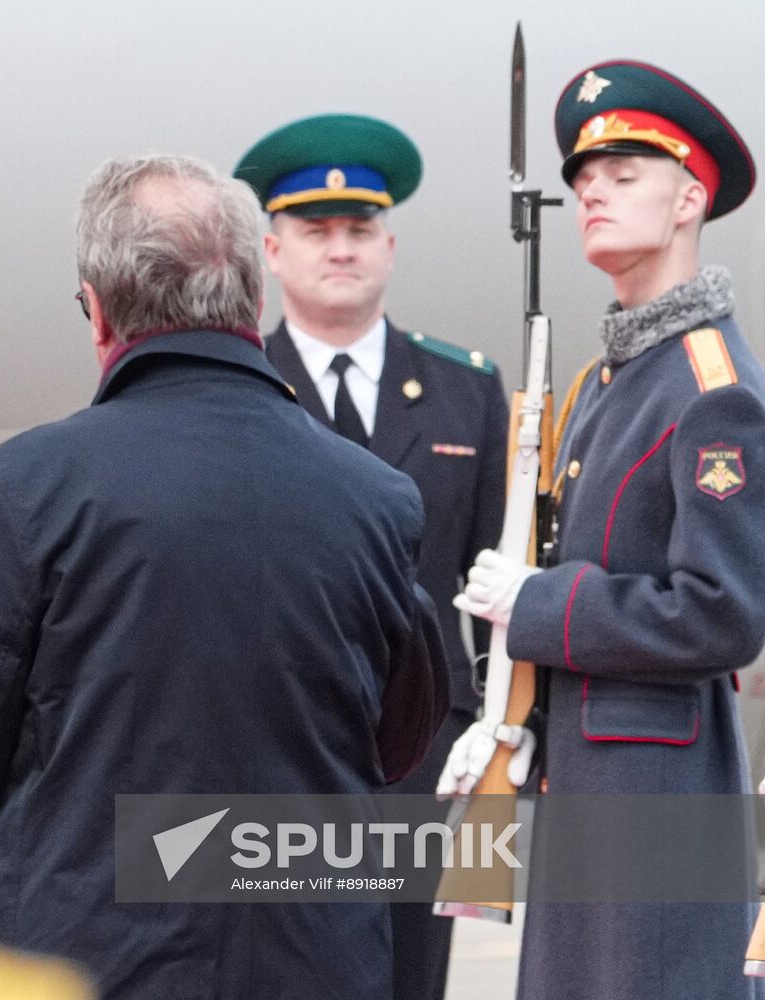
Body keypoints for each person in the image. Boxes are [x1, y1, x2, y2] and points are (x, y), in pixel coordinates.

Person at [0, 154, 448, 999]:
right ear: (253, 302)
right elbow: (401, 736)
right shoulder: (376, 499)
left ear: (98, 311)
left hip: (84, 970)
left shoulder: (22, 489)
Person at [440, 61, 765, 1000]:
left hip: (656, 798)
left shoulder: (712, 389)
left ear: (687, 200)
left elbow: (723, 615)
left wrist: (542, 604)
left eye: (624, 177)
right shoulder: (608, 380)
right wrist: (517, 720)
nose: (592, 193)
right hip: (591, 782)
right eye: (586, 180)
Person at [234, 113, 508, 1000]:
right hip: (271, 746)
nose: (340, 249)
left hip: (427, 750)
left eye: (359, 231)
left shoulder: (467, 389)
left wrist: (495, 734)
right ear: (271, 252)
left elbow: (490, 575)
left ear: (388, 246)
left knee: (411, 976)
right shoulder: (232, 389)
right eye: (315, 231)